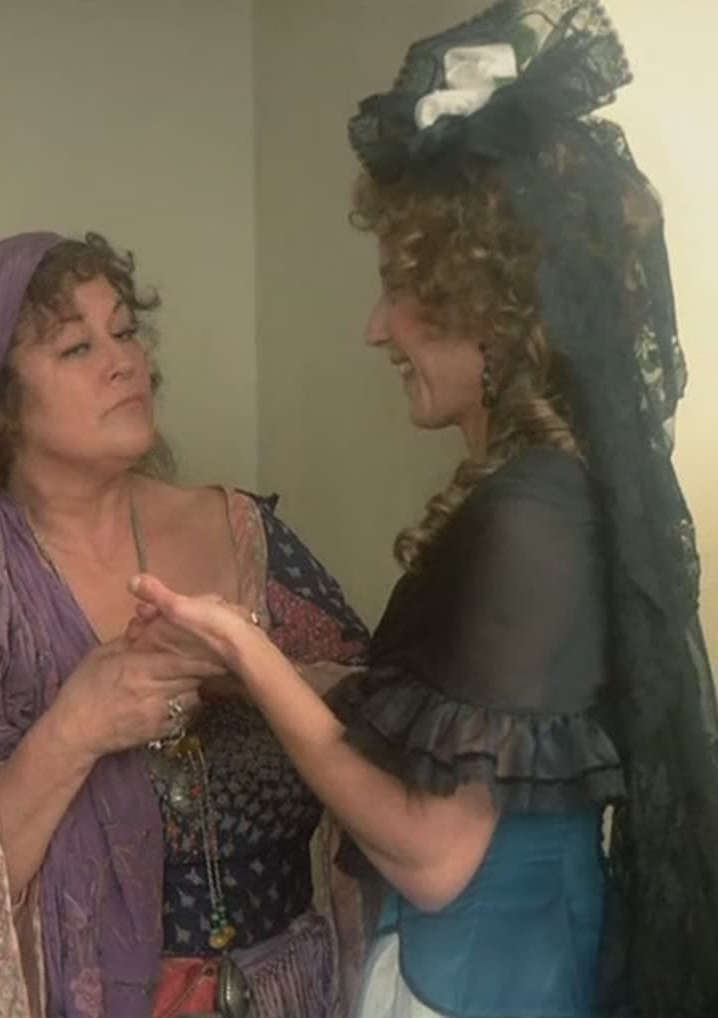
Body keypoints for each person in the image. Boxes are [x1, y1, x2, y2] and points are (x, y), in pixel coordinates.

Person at [126, 2, 718, 1016]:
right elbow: (447, 732)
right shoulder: (541, 494)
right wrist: (246, 668)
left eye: (398, 286)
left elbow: (431, 854)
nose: (374, 328)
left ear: (484, 306)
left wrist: (250, 653)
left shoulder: (532, 517)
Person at [0, 231, 370, 1018]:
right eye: (77, 347)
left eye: (126, 332)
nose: (124, 362)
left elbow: (385, 729)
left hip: (289, 994)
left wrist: (245, 670)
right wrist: (76, 728)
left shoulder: (243, 532)